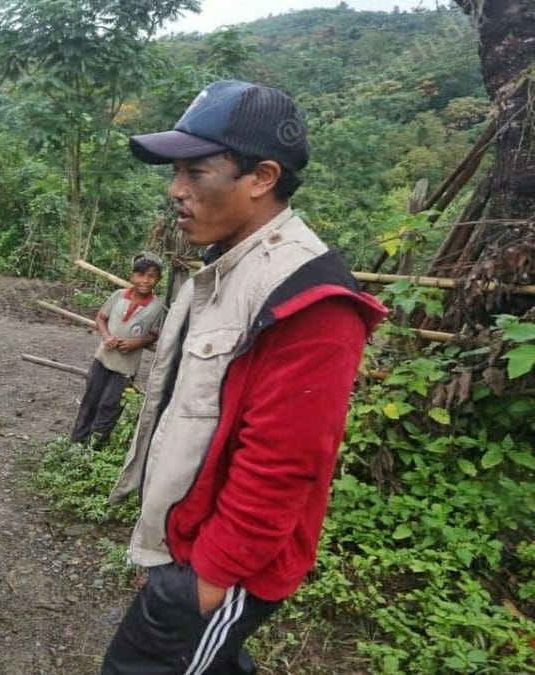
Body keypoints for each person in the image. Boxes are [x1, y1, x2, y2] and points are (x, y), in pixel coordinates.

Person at [102, 80, 386, 674]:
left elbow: (284, 465)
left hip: (219, 567)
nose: (175, 190)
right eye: (175, 172)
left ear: (262, 177)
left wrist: (203, 581)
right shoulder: (231, 264)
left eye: (196, 172)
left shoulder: (309, 298)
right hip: (190, 548)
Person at [70, 252, 166, 448]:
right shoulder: (118, 296)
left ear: (158, 279)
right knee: (90, 401)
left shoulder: (156, 308)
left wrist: (137, 342)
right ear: (132, 276)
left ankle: (92, 450)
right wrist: (107, 337)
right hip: (102, 359)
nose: (145, 280)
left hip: (125, 368)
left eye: (151, 276)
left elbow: (154, 334)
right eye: (140, 275)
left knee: (110, 407)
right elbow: (101, 318)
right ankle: (76, 445)